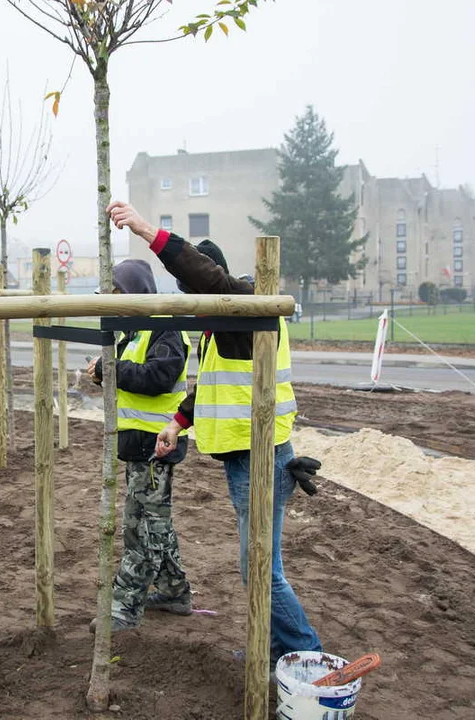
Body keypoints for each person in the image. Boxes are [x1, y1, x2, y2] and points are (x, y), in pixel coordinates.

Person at [107, 200, 323, 667]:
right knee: (259, 568)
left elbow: (210, 281)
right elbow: (208, 390)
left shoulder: (241, 311)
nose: (191, 302)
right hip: (246, 454)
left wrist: (146, 230)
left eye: (194, 293)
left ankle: (307, 656)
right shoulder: (220, 333)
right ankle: (275, 649)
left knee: (263, 571)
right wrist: (177, 423)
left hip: (260, 456)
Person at [86, 259, 195, 632]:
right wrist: (105, 373)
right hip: (138, 445)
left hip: (156, 446)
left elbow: (160, 377)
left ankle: (124, 606)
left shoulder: (164, 328)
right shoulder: (132, 333)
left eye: (116, 294)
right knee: (154, 523)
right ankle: (174, 590)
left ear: (135, 292)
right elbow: (134, 382)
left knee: (142, 528)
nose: (111, 302)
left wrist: (111, 370)